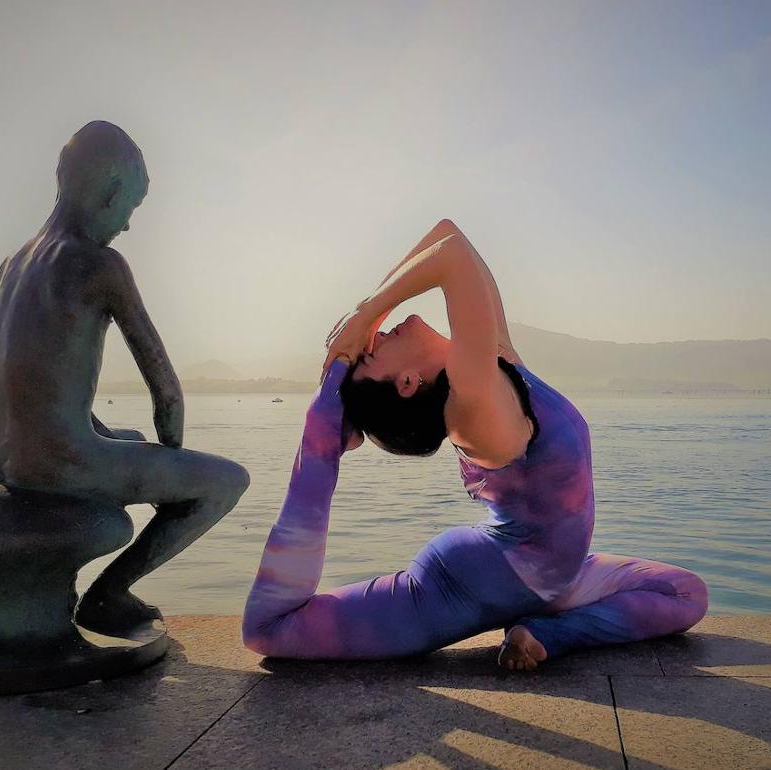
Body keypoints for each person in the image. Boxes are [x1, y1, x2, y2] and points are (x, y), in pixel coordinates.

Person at [243, 219, 706, 668]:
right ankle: (321, 436)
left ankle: (541, 634)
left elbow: (450, 233)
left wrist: (368, 314)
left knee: (686, 593)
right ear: (407, 382)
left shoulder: (497, 364)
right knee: (272, 629)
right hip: (463, 585)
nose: (376, 335)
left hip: (548, 576)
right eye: (371, 350)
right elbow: (452, 259)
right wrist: (364, 316)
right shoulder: (474, 400)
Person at [0, 121, 250, 634]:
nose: (127, 224)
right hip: (58, 469)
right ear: (109, 192)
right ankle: (107, 594)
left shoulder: (10, 267)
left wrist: (121, 443)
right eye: (132, 206)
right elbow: (166, 392)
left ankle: (76, 588)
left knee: (125, 439)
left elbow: (32, 393)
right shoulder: (101, 265)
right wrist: (171, 458)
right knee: (225, 482)